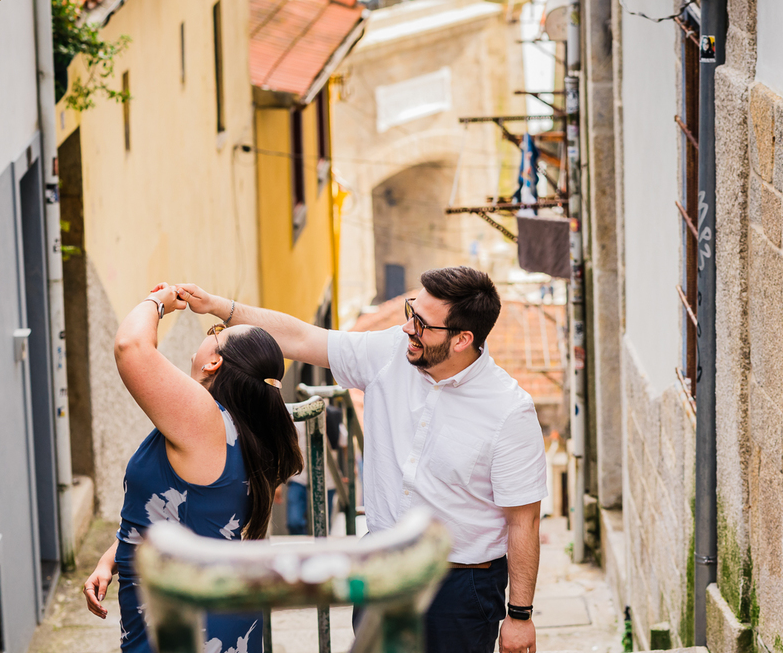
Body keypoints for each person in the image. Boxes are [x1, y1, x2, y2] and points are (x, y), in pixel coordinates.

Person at [177, 266, 547, 653]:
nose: (407, 328)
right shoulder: (390, 352)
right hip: (380, 568)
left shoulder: (508, 411)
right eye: (411, 312)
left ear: (462, 339)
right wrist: (219, 307)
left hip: (459, 587)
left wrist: (519, 616)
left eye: (422, 324)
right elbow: (302, 338)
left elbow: (524, 520)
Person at [81, 283, 303, 653]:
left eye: (216, 332)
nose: (208, 335)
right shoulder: (243, 428)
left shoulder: (205, 419)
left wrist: (158, 302)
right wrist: (112, 557)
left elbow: (131, 346)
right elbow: (188, 514)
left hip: (189, 627)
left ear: (214, 362)